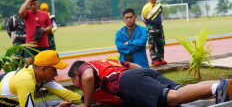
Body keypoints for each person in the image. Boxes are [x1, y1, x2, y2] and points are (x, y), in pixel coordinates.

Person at [68, 59, 232, 107]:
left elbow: (88, 78)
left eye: (76, 82)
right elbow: (135, 66)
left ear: (77, 74)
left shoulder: (84, 68)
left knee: (174, 97)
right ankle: (225, 83)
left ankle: (219, 87)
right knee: (181, 92)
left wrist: (86, 104)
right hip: (139, 73)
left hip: (127, 81)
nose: (79, 84)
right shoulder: (105, 62)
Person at [0, 50, 83, 107]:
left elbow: (67, 95)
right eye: (54, 69)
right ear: (43, 69)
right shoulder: (26, 81)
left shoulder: (41, 76)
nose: (56, 73)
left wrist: (90, 100)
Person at [19, 0, 52, 65]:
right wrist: (28, 0)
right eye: (30, 5)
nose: (32, 6)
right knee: (28, 65)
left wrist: (43, 30)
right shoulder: (27, 14)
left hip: (43, 44)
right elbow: (20, 12)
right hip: (30, 44)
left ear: (38, 4)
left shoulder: (44, 14)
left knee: (45, 65)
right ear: (28, 5)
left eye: (34, 4)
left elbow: (50, 26)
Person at [141, 0, 167, 66]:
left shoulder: (159, 5)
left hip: (159, 26)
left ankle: (160, 58)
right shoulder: (146, 7)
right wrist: (149, 25)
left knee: (161, 43)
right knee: (152, 43)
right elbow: (143, 18)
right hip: (151, 26)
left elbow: (159, 16)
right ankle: (154, 59)